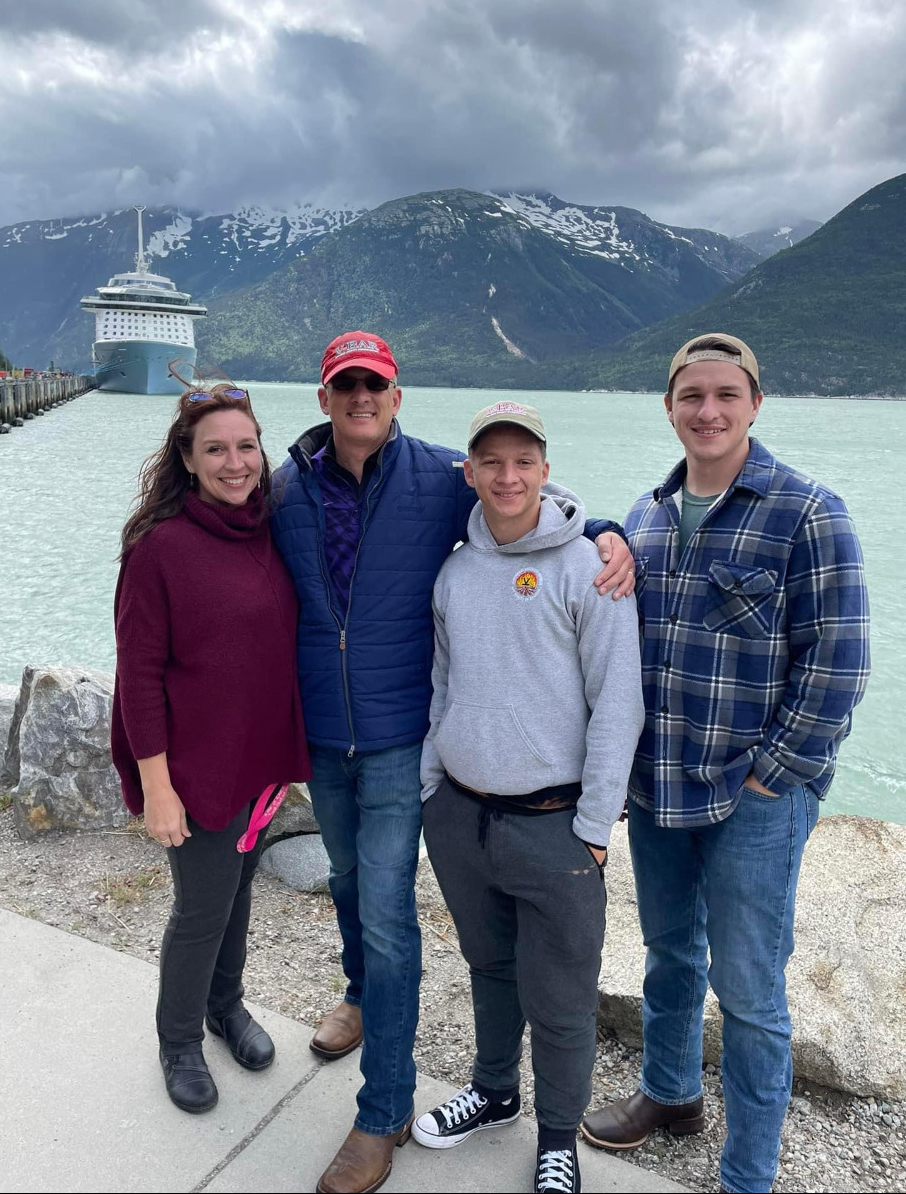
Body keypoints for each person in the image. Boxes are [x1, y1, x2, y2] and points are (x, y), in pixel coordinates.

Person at [269, 332, 636, 1194]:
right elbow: (222, 519)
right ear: (325, 397)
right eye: (346, 383)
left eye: (377, 384)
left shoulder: (441, 475)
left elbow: (529, 495)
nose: (362, 396)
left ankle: (383, 1111)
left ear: (398, 397)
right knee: (355, 884)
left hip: (404, 744)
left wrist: (608, 528)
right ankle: (374, 1004)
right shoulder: (284, 491)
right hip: (332, 736)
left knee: (397, 919)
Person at [580, 334, 871, 1194]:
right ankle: (670, 1095)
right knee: (670, 955)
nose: (708, 411)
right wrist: (598, 527)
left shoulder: (808, 512)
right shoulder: (643, 517)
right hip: (661, 786)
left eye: (726, 395)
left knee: (750, 991)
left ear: (754, 403)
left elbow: (839, 666)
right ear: (668, 407)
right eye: (691, 396)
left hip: (756, 797)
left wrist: (769, 776)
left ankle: (749, 1170)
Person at [412, 403, 645, 1194]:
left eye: (524, 462)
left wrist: (594, 825)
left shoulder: (589, 567)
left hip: (556, 825)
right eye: (492, 463)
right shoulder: (453, 571)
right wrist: (430, 787)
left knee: (564, 992)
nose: (507, 477)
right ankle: (495, 1091)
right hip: (461, 815)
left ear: (547, 470)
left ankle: (556, 1139)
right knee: (489, 967)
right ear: (469, 473)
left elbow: (619, 700)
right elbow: (441, 687)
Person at [111, 383, 311, 1114]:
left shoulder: (268, 526)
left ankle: (225, 1009)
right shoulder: (158, 548)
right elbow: (136, 676)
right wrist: (155, 786)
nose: (236, 462)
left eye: (246, 446)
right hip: (193, 770)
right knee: (200, 909)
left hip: (259, 763)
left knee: (236, 892)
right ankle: (178, 1040)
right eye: (216, 449)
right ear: (188, 460)